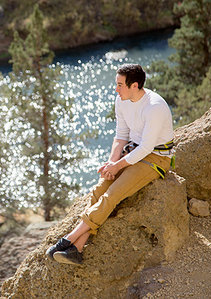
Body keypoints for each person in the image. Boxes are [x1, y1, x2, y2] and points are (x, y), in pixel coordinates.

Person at [46, 64, 174, 265]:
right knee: (99, 190)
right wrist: (111, 163)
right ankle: (77, 249)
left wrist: (118, 166)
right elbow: (121, 135)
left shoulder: (154, 107)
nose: (116, 89)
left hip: (155, 158)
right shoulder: (122, 100)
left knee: (112, 195)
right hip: (132, 152)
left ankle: (67, 240)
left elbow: (147, 148)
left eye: (120, 85)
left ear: (135, 85)